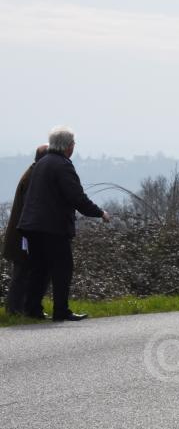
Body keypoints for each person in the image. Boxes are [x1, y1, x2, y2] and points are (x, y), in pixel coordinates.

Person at [17, 127, 110, 321]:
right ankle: (61, 310)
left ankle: (32, 309)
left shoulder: (41, 163)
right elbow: (77, 197)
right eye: (73, 143)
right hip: (52, 227)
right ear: (68, 146)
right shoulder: (63, 165)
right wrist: (99, 212)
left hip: (31, 225)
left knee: (39, 268)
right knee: (62, 268)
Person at [3, 144, 48, 316]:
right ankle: (14, 310)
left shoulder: (32, 174)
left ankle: (18, 309)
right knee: (21, 274)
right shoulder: (33, 178)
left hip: (22, 233)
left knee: (23, 273)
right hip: (23, 235)